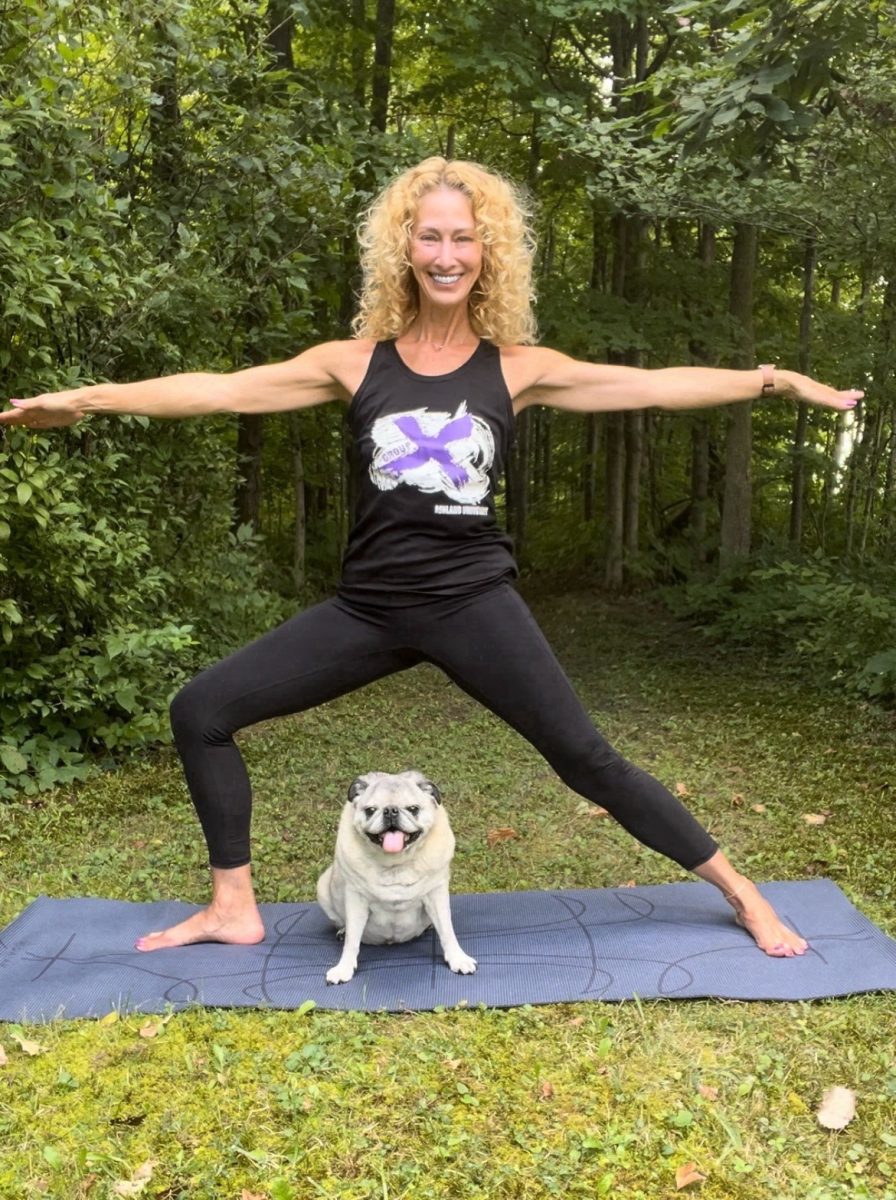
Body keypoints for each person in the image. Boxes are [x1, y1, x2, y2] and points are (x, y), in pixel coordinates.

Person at [1, 156, 862, 959]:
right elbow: (220, 390)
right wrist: (86, 399)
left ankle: (740, 890)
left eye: (462, 237)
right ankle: (233, 906)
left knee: (585, 761)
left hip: (470, 600)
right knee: (201, 710)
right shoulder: (350, 363)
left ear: (486, 252)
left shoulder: (519, 369)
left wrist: (775, 380)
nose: (446, 254)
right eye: (429, 235)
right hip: (368, 609)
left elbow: (657, 386)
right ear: (403, 249)